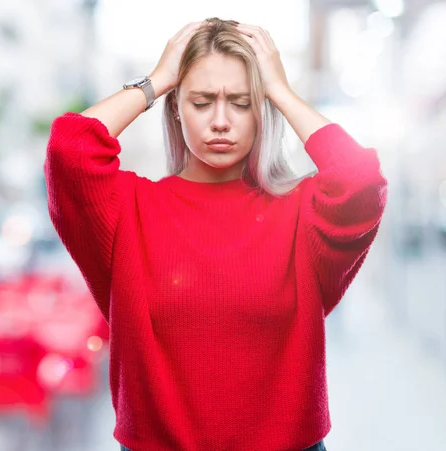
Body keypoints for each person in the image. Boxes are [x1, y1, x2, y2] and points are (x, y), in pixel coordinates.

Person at [44, 17, 387, 451]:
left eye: (242, 103)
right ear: (176, 108)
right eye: (202, 101)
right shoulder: (130, 211)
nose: (220, 121)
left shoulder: (301, 215)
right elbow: (69, 148)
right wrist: (158, 80)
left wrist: (279, 90)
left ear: (262, 110)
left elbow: (360, 179)